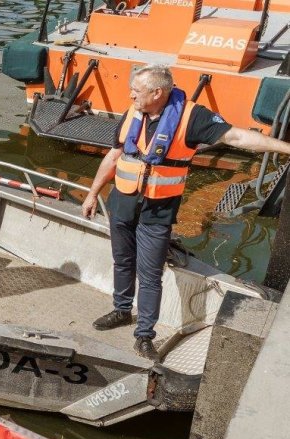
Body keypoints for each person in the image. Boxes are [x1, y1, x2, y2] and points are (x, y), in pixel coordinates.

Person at [82, 63, 290, 361]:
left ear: (157, 92)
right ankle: (121, 309)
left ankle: (144, 335)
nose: (130, 96)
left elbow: (239, 138)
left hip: (158, 210)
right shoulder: (133, 113)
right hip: (123, 203)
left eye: (136, 91)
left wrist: (286, 148)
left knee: (150, 273)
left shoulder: (194, 117)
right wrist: (92, 193)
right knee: (122, 260)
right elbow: (115, 155)